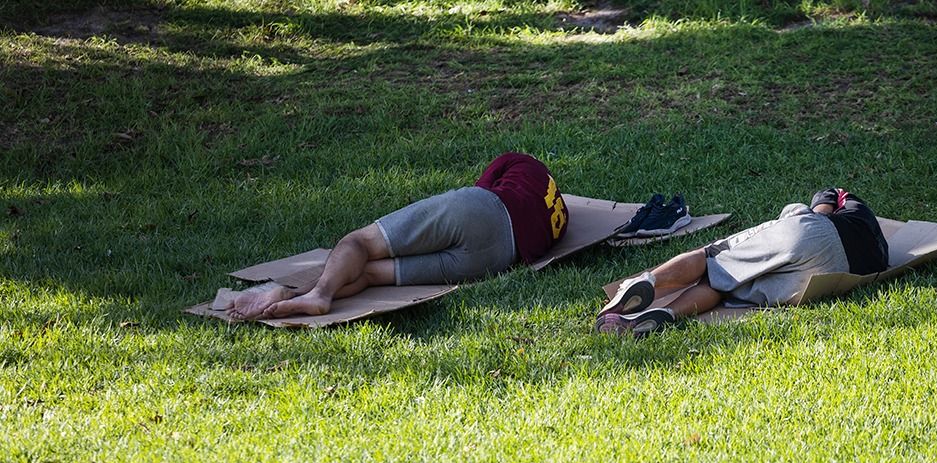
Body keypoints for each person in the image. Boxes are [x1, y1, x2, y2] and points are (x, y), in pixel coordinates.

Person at [229, 152, 568, 320]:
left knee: (359, 243)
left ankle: (317, 293)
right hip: (495, 259)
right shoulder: (559, 217)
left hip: (481, 212)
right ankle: (291, 294)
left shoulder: (519, 162)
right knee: (372, 274)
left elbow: (476, 191)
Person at [596, 188, 888, 335]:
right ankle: (670, 314)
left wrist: (811, 212)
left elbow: (825, 202)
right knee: (725, 286)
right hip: (834, 273)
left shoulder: (850, 203)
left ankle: (646, 282)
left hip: (813, 235)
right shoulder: (880, 248)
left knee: (713, 258)